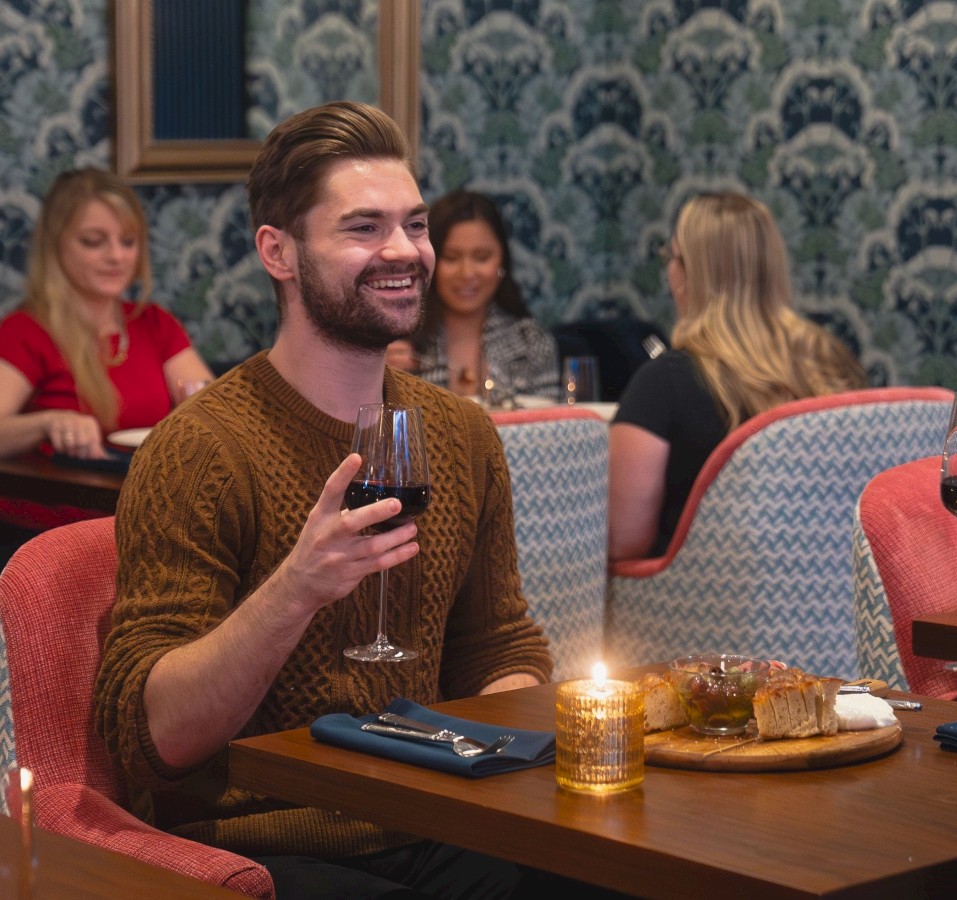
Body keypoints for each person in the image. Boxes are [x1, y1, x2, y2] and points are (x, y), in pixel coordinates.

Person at [94, 101, 555, 899]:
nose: (405, 251)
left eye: (414, 224)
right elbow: (153, 739)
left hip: (442, 818)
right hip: (265, 846)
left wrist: (507, 731)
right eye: (364, 229)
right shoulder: (200, 449)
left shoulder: (462, 435)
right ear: (279, 251)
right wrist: (298, 588)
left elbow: (499, 646)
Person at [607, 192, 868, 560]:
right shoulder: (831, 361)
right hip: (831, 604)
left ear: (690, 273)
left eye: (673, 257)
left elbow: (623, 540)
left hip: (694, 609)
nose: (669, 271)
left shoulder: (664, 384)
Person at [0, 167, 212, 554]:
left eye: (128, 242)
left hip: (148, 522)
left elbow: (211, 406)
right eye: (94, 242)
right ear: (56, 245)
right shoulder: (26, 331)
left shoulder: (153, 323)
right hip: (52, 537)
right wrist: (47, 423)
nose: (116, 256)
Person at [385, 189, 559, 401]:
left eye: (482, 257)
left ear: (501, 262)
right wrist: (379, 376)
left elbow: (548, 425)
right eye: (451, 257)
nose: (467, 273)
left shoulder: (531, 342)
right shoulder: (396, 339)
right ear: (430, 262)